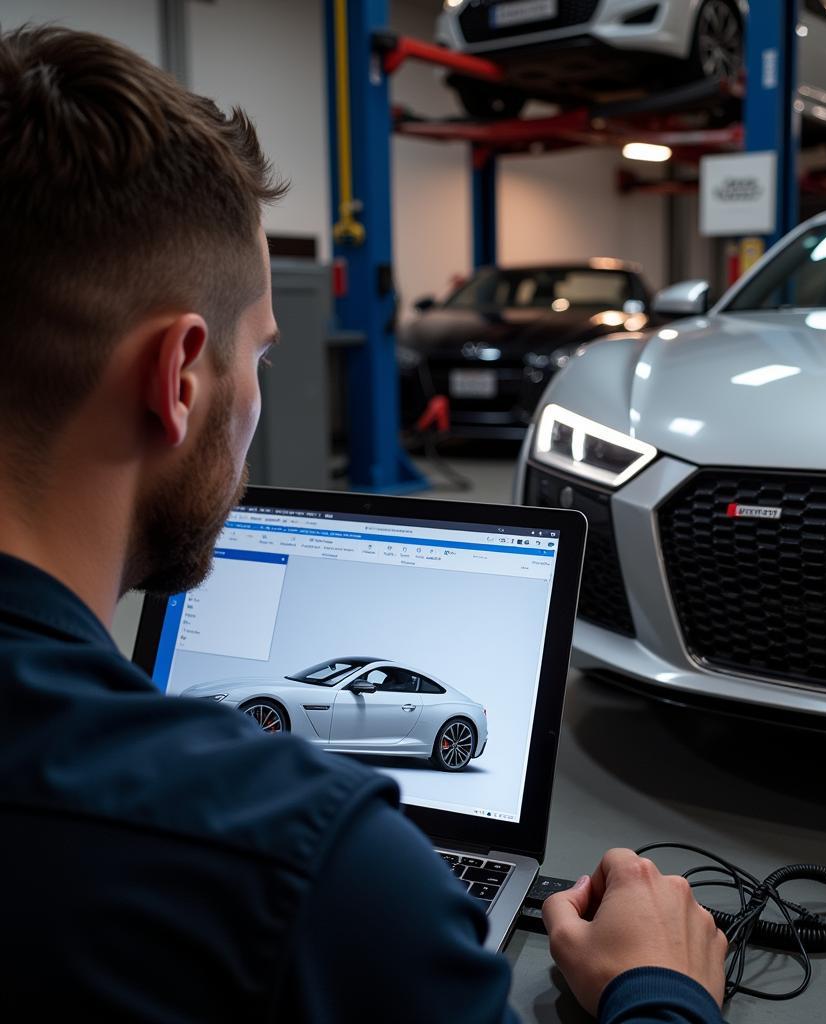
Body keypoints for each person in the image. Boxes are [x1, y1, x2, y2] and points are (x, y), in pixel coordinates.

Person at [0, 24, 728, 1022]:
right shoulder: (312, 863)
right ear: (176, 377)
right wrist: (662, 988)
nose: (257, 392)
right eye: (259, 356)